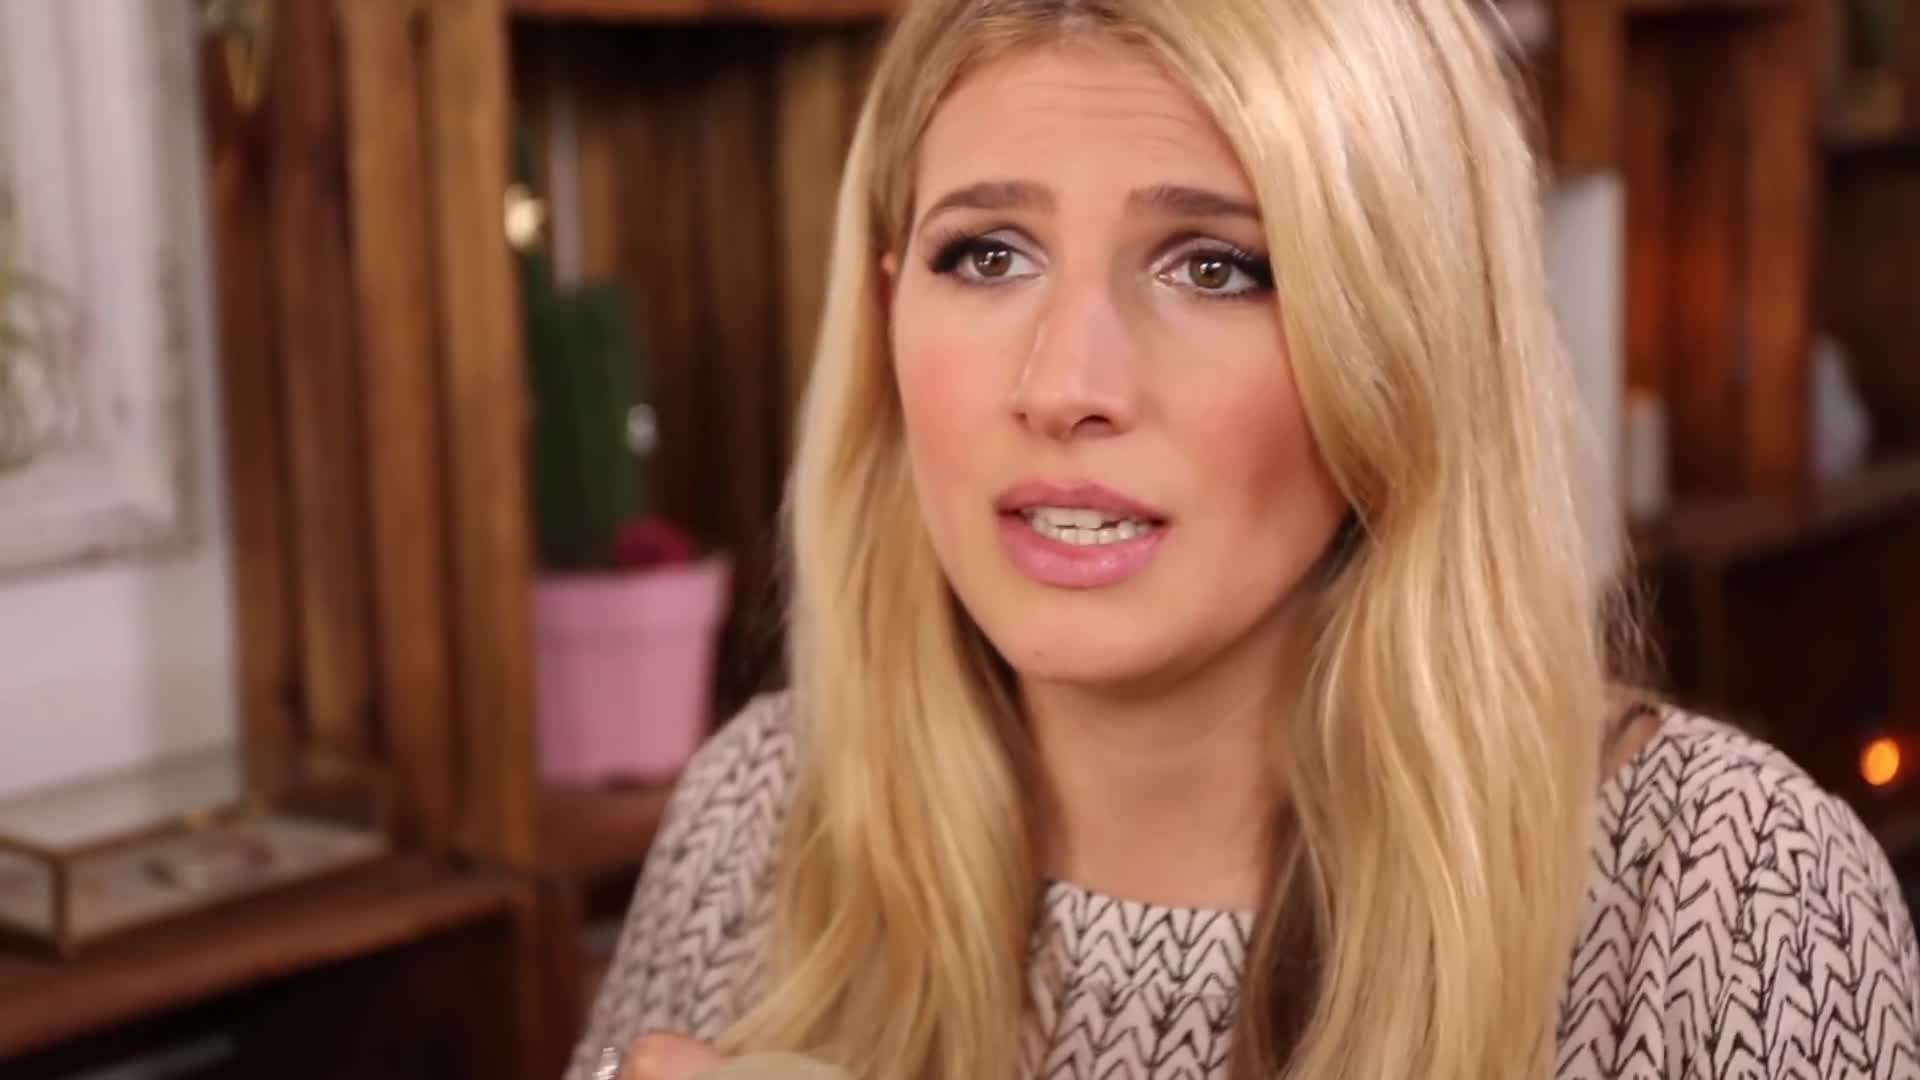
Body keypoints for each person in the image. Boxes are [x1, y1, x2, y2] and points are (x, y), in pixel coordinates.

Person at [568, 1, 1920, 1077]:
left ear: (1401, 347)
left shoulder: (1732, 895)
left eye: (1217, 266)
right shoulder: (761, 814)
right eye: (986, 254)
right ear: (885, 317)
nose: (1062, 382)